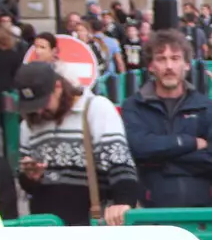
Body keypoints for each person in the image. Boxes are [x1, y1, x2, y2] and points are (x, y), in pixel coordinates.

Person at [14, 63, 137, 225]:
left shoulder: (95, 108)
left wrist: (124, 202)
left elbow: (120, 162)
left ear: (58, 87)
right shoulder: (28, 125)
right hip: (45, 227)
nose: (38, 111)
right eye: (32, 106)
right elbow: (27, 186)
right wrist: (30, 177)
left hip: (89, 224)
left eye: (43, 103)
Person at [121, 28, 212, 208]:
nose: (169, 66)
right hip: (153, 213)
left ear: (187, 64)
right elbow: (138, 149)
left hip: (203, 212)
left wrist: (162, 162)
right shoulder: (134, 106)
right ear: (151, 66)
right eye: (161, 59)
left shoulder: (206, 106)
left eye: (175, 58)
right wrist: (190, 143)